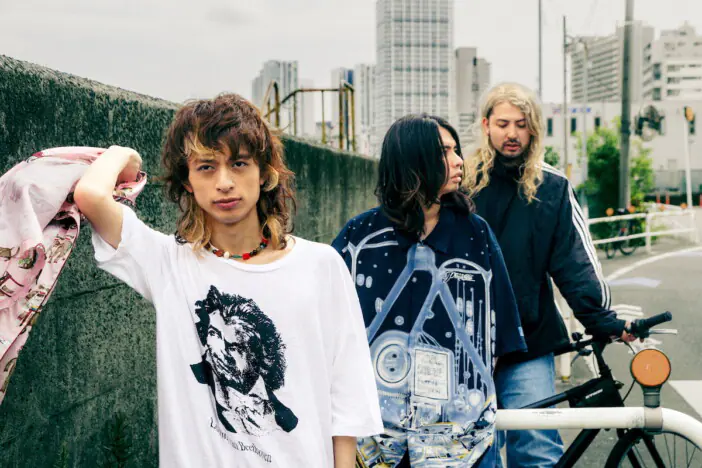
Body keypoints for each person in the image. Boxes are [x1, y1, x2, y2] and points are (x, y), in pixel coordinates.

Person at [74, 93, 383, 468]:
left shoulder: (321, 265)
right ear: (187, 181)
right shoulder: (168, 264)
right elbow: (90, 195)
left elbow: (347, 396)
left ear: (264, 173)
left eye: (239, 163)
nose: (224, 182)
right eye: (206, 167)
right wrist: (127, 157)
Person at [332, 114, 526, 467]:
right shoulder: (359, 238)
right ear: (412, 160)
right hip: (374, 441)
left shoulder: (476, 235)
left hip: (461, 443)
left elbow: (500, 332)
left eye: (456, 150)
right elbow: (326, 331)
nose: (458, 161)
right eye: (444, 152)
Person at [462, 82, 636, 467]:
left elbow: (573, 262)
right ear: (486, 125)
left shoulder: (551, 187)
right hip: (463, 343)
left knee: (537, 452)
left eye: (521, 124)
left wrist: (600, 319)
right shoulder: (461, 184)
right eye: (503, 123)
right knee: (469, 454)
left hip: (528, 340)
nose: (512, 133)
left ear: (534, 129)